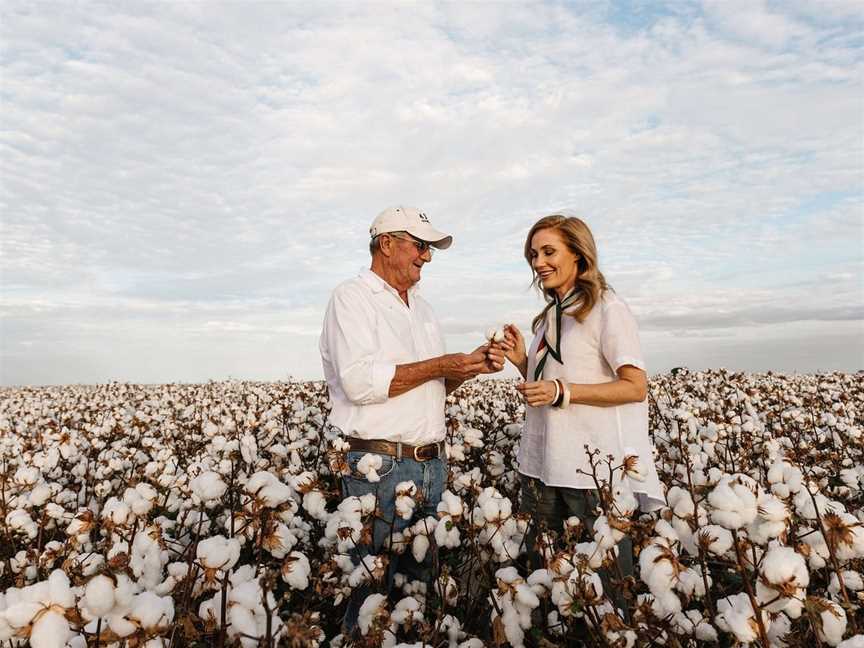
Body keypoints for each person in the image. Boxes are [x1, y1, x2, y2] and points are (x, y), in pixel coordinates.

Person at [319, 206, 504, 637]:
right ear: (387, 244)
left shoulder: (423, 310)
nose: (427, 257)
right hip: (377, 470)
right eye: (421, 246)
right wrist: (442, 363)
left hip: (430, 467)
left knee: (417, 593)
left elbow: (431, 389)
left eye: (429, 249)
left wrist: (467, 367)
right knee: (371, 598)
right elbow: (362, 383)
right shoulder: (351, 298)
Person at [496, 213, 664, 609]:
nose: (539, 263)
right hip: (541, 467)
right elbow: (549, 388)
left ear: (579, 254)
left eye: (549, 251)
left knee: (606, 589)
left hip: (590, 472)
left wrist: (562, 391)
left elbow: (635, 386)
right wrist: (522, 360)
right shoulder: (551, 317)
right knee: (549, 582)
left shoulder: (607, 309)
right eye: (533, 254)